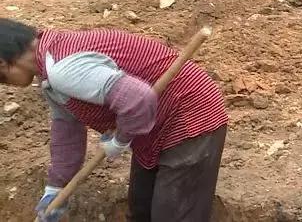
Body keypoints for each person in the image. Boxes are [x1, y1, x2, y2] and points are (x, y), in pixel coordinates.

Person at [0, 19, 228, 222]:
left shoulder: (63, 69)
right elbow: (67, 132)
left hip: (190, 113)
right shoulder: (49, 73)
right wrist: (55, 187)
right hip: (152, 127)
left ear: (2, 63)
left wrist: (120, 140)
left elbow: (139, 98)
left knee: (173, 214)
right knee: (141, 211)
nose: (7, 85)